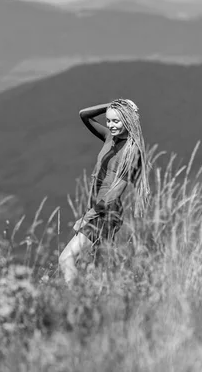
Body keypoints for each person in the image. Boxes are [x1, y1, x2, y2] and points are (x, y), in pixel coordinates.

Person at [59, 98, 150, 285]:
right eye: (109, 120)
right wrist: (111, 105)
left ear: (128, 120)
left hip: (105, 213)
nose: (111, 125)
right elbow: (84, 115)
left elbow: (116, 191)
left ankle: (74, 299)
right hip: (98, 209)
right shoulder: (110, 137)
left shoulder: (132, 151)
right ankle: (105, 302)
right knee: (100, 269)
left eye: (116, 121)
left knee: (66, 258)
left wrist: (88, 216)